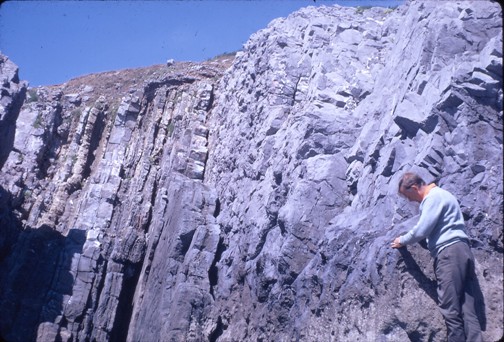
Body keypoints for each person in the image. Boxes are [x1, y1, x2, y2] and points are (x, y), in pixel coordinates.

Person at [391, 172, 482, 342]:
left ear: (414, 187)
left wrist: (402, 240)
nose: (410, 201)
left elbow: (421, 230)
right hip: (463, 250)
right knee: (467, 307)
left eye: (408, 196)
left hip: (449, 253)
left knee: (450, 307)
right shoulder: (445, 194)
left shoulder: (433, 198)